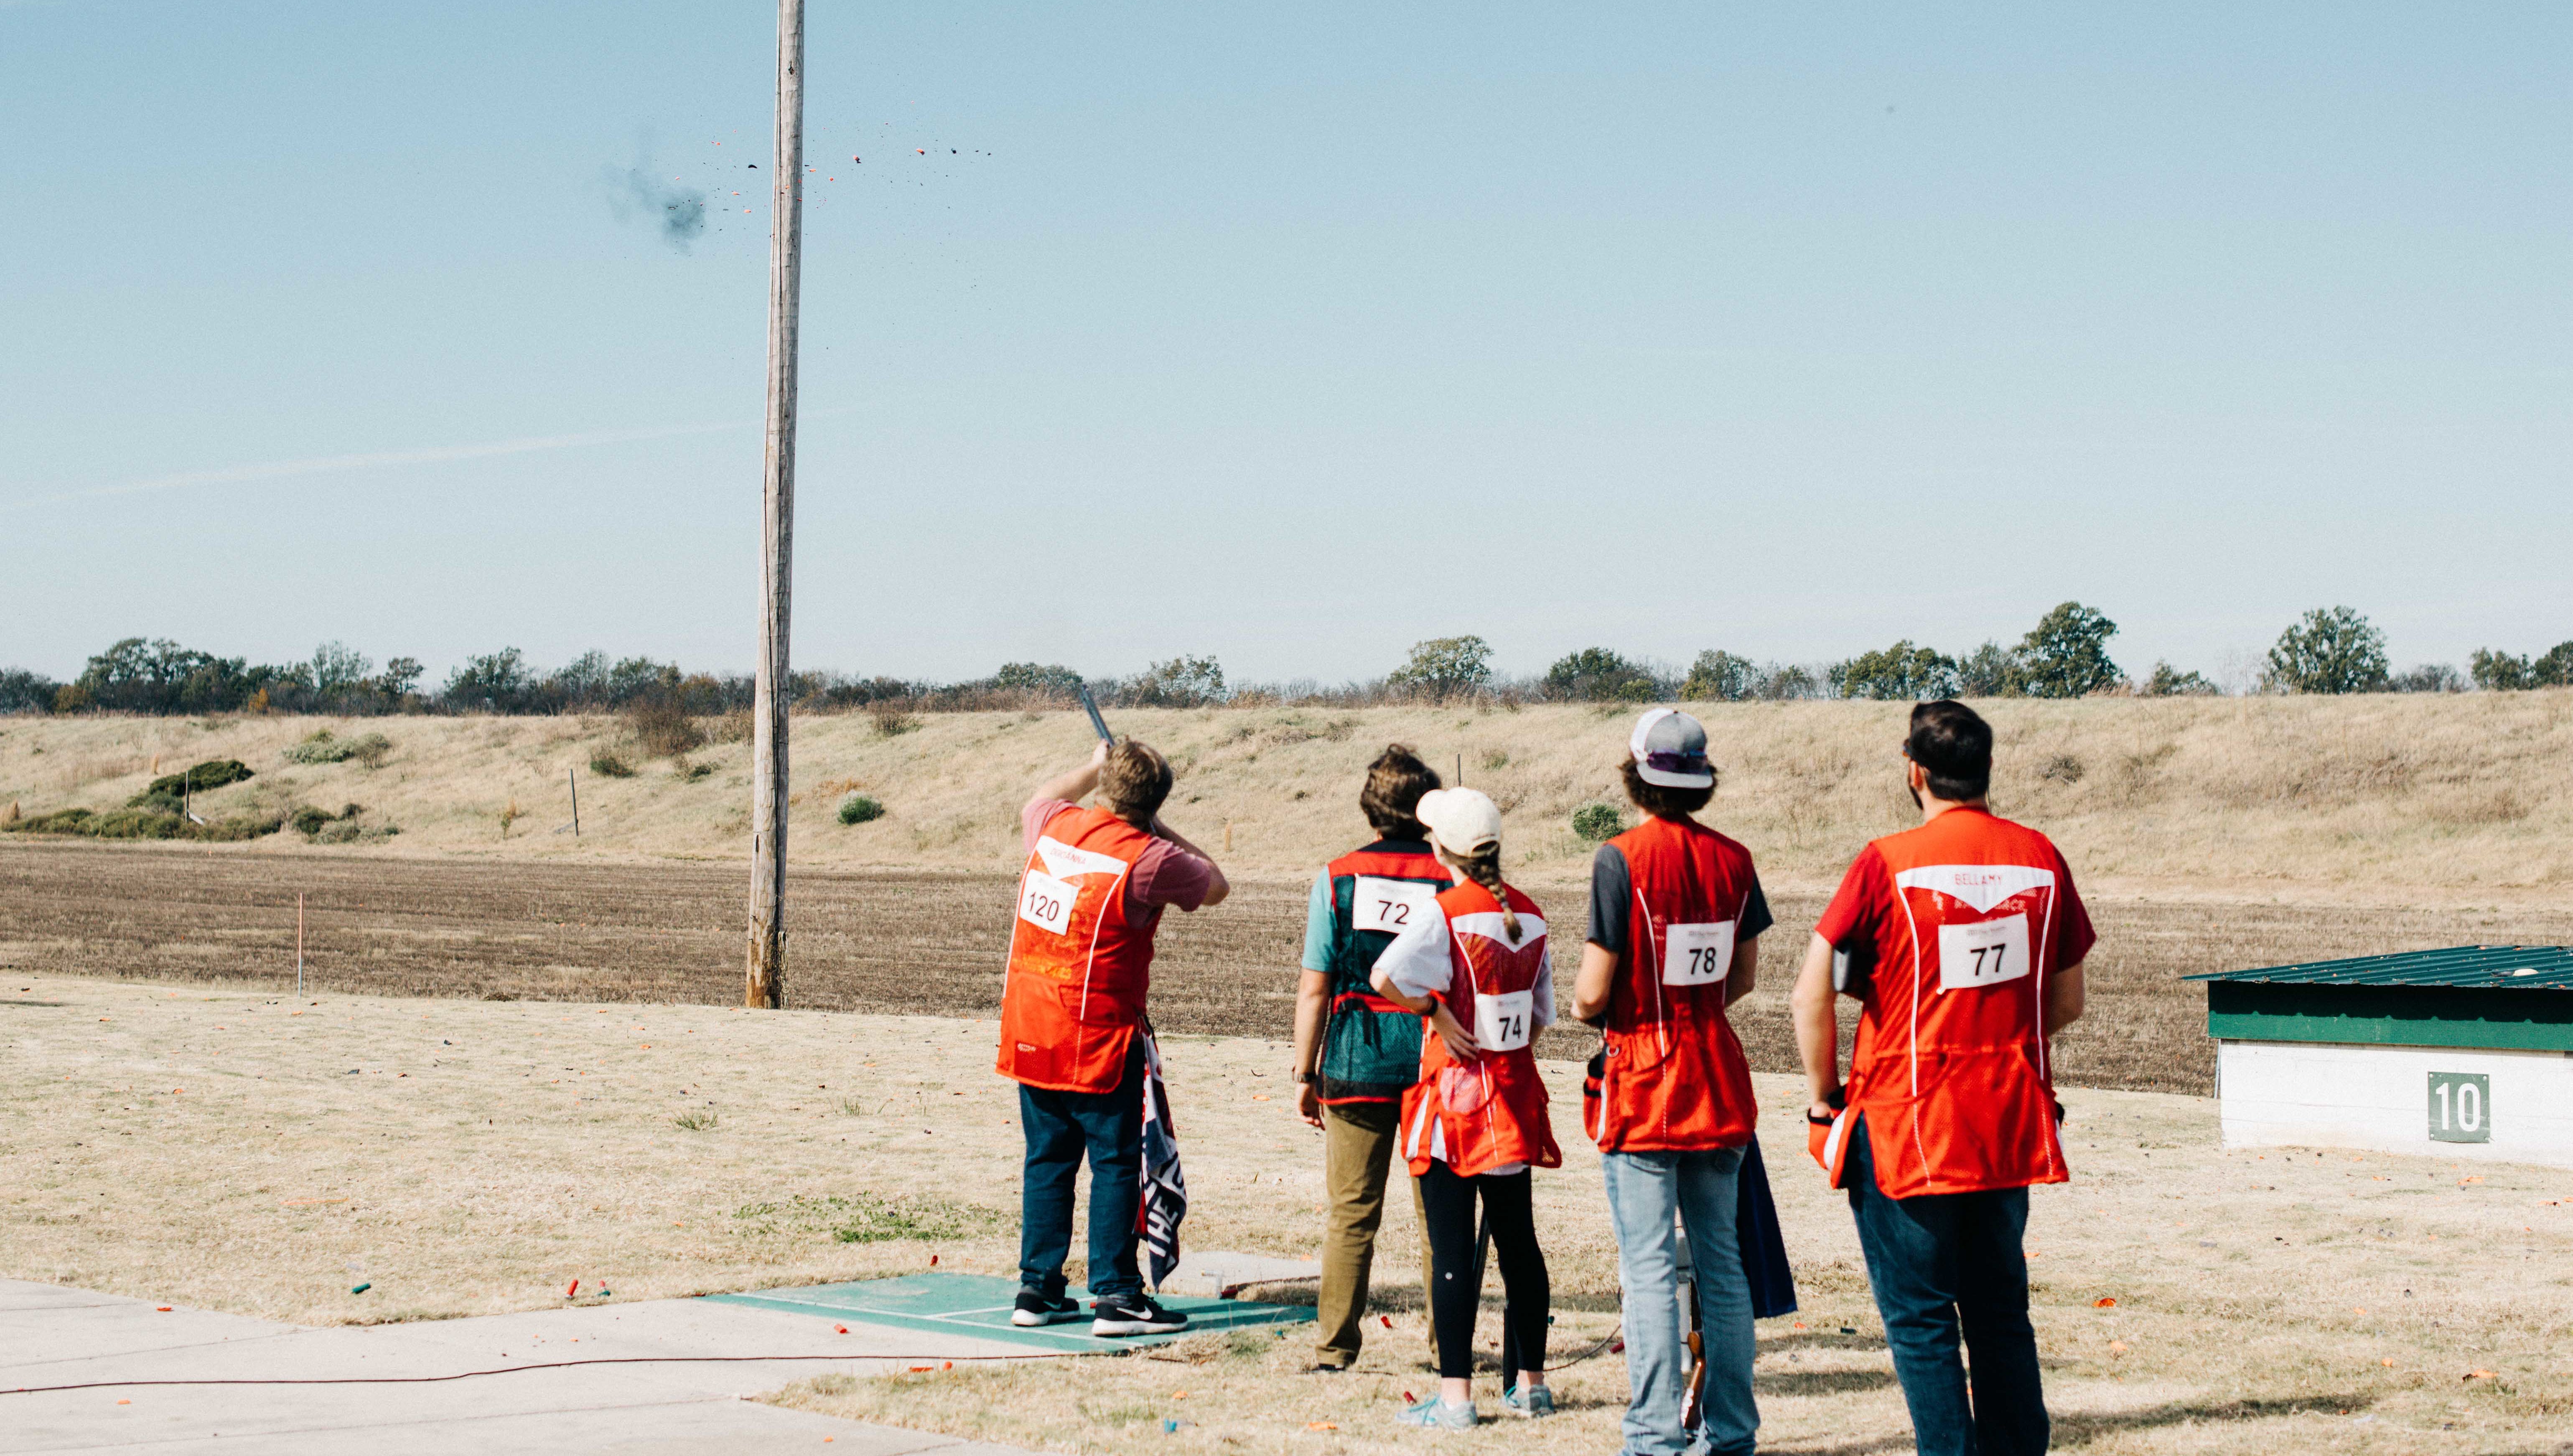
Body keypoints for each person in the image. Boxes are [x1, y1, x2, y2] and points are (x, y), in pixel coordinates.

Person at [1790, 700, 2092, 1456]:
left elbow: (1810, 992)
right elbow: (2065, 1001)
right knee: (2000, 1313)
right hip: (2007, 1122)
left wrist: (1822, 1101)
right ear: (1986, 769)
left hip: (1908, 1124)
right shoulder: (2040, 855)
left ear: (1914, 772)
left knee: (1922, 1320)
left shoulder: (1886, 860)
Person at [1570, 709, 1772, 1456]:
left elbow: (1591, 992)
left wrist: (1592, 1010)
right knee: (1723, 1264)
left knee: (1649, 1267)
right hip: (1716, 1074)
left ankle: (1654, 1435)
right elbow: (1741, 976)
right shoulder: (1735, 858)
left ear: (1635, 775)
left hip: (1644, 1080)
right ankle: (1732, 1432)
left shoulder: (1619, 858)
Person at [998, 737, 1229, 1337]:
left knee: (1048, 1160)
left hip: (1032, 1026)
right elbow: (1215, 884)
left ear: (1105, 786)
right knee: (1116, 1163)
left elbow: (1040, 797)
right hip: (1098, 1036)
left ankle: (1038, 1288)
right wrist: (1157, 824)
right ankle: (1117, 1294)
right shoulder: (1150, 857)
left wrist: (1093, 766)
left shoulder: (1053, 826)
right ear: (1152, 802)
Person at [1368, 786, 1559, 1429]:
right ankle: (1531, 1386)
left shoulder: (1444, 911)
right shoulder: (1529, 913)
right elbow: (1539, 1015)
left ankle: (1456, 1399)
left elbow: (1382, 975)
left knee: (1451, 1250)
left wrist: (1434, 1010)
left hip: (1453, 1105)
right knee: (1520, 1245)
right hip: (1512, 1099)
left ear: (1442, 849)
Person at [1290, 745, 1449, 1373]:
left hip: (1356, 1056)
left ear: (1369, 807)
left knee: (1352, 1214)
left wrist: (1306, 1073)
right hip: (1435, 1059)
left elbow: (1314, 988)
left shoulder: (1336, 877)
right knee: (1441, 1218)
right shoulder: (1452, 879)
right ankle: (1448, 1351)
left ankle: (1334, 1349)